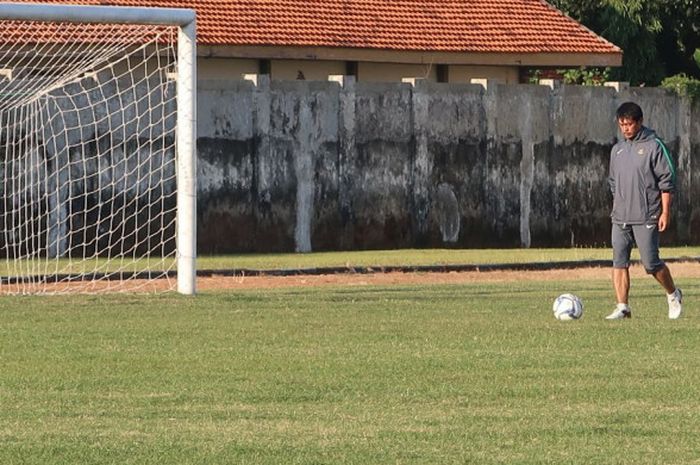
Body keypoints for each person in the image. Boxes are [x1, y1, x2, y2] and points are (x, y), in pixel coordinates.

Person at [605, 101, 683, 320]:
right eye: (622, 125)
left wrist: (665, 212)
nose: (625, 129)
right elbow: (613, 182)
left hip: (646, 214)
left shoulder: (654, 146)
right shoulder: (617, 150)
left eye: (629, 124)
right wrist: (616, 205)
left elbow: (667, 182)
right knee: (619, 262)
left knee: (651, 263)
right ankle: (622, 307)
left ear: (639, 122)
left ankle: (673, 294)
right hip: (620, 217)